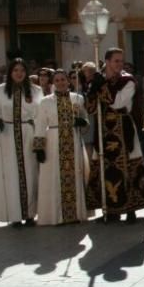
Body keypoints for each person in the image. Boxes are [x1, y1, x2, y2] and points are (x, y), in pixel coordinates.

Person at [85, 48, 144, 223]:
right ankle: (111, 210)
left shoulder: (128, 81)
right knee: (105, 167)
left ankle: (131, 209)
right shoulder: (98, 79)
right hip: (103, 128)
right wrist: (92, 89)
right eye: (116, 61)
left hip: (122, 127)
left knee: (129, 165)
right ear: (106, 61)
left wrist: (102, 86)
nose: (119, 64)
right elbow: (90, 108)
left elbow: (117, 102)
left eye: (121, 61)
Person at [0, 58, 43, 227]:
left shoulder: (35, 90)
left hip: (28, 133)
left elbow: (40, 114)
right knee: (11, 174)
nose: (19, 73)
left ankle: (30, 213)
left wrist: (40, 139)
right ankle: (14, 215)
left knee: (30, 172)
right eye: (15, 70)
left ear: (26, 73)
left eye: (22, 70)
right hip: (7, 135)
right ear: (10, 73)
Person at [33, 70, 90, 225]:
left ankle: (74, 214)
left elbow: (85, 120)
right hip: (53, 141)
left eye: (63, 79)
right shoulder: (45, 101)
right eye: (57, 80)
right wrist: (39, 147)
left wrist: (83, 122)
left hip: (73, 140)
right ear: (53, 83)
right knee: (54, 177)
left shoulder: (77, 98)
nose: (60, 82)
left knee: (75, 175)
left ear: (68, 81)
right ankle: (55, 215)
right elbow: (40, 124)